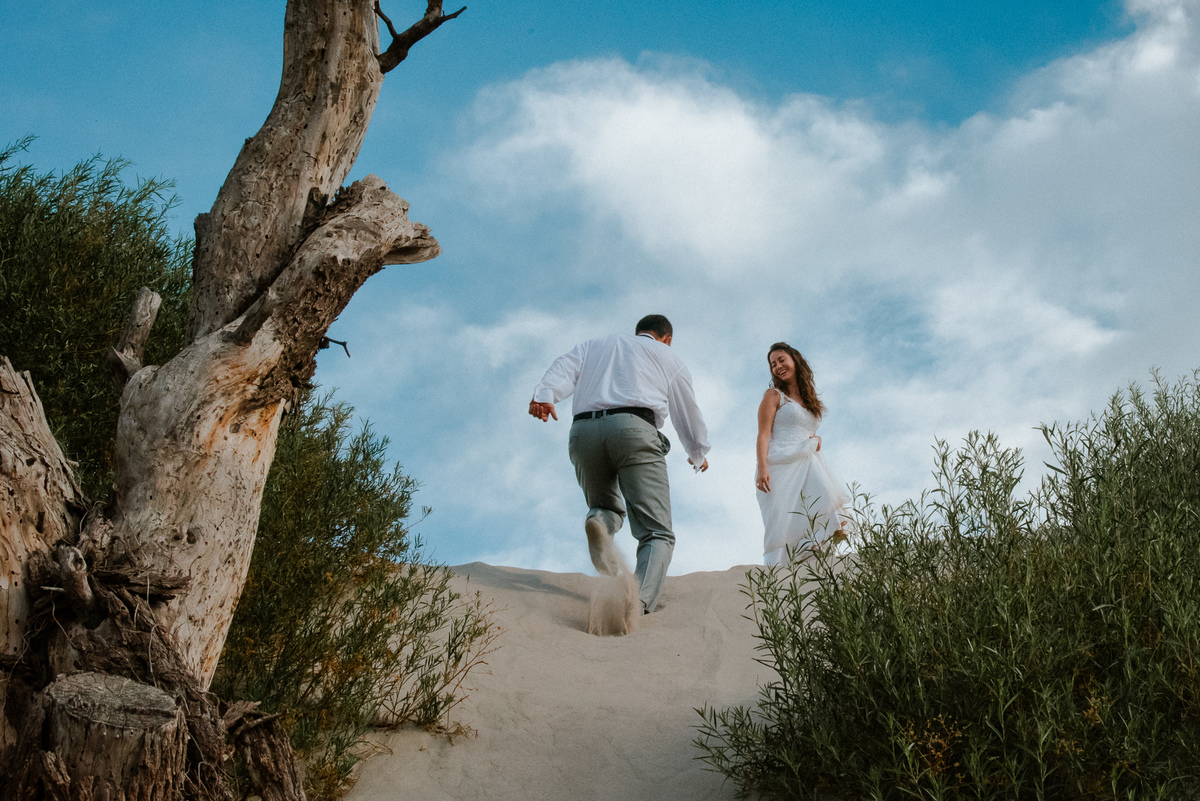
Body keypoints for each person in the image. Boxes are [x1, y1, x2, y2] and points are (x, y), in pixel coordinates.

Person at [529, 314, 711, 614]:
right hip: (633, 430)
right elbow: (685, 406)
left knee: (606, 506)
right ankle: (636, 603)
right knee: (656, 532)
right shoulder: (666, 354)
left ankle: (599, 520)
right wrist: (697, 450)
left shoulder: (596, 345)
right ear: (667, 337)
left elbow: (564, 366)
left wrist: (545, 395)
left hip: (583, 432)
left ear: (638, 331)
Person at [754, 342, 848, 567]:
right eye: (773, 364)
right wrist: (762, 467)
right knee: (785, 518)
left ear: (794, 360)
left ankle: (814, 555)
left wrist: (817, 440)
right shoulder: (773, 396)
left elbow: (808, 431)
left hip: (807, 459)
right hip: (779, 462)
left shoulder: (810, 399)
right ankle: (785, 568)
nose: (777, 366)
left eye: (781, 360)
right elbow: (763, 435)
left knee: (821, 497)